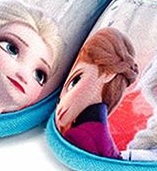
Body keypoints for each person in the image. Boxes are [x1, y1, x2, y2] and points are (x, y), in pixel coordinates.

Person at [55, 27, 138, 158]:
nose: (62, 100)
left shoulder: (78, 137)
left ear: (107, 74)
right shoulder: (98, 136)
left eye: (75, 81)